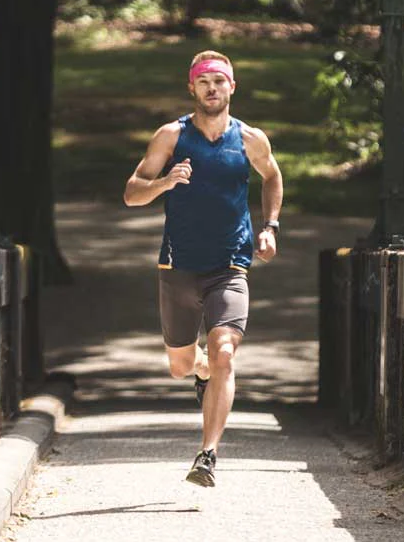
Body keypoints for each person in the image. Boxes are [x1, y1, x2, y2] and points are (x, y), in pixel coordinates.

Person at [122, 50, 283, 487]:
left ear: (233, 86)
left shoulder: (250, 139)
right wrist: (164, 183)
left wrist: (269, 226)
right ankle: (201, 371)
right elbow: (132, 193)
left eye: (220, 81)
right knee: (180, 365)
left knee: (225, 351)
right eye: (204, 82)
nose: (212, 88)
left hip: (230, 264)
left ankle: (207, 454)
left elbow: (271, 176)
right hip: (178, 266)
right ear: (191, 88)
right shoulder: (171, 137)